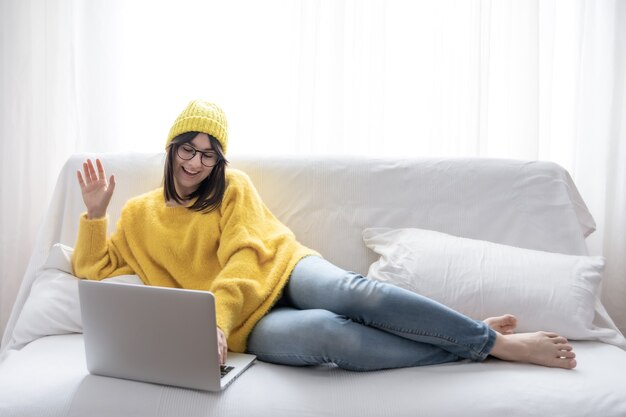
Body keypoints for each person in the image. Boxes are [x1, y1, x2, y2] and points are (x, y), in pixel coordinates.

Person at [72, 99, 577, 371]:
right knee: (330, 338)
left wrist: (216, 322)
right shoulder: (138, 216)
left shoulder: (233, 188)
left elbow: (248, 256)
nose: (196, 163)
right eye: (188, 149)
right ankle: (472, 342)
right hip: (245, 327)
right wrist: (95, 216)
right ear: (172, 148)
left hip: (282, 269)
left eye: (209, 154)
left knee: (354, 293)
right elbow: (94, 272)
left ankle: (494, 342)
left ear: (219, 160)